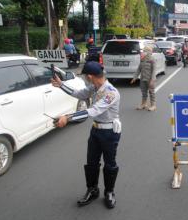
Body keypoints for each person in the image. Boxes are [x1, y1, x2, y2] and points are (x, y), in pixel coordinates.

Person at [50, 61, 122, 209]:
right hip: (95, 130)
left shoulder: (111, 92)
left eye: (85, 76)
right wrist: (61, 84)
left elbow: (93, 110)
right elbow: (79, 94)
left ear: (90, 76)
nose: (85, 79)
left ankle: (109, 192)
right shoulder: (94, 87)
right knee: (91, 163)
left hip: (109, 132)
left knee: (110, 164)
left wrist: (67, 118)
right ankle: (92, 189)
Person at [131, 46, 157, 111]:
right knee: (144, 92)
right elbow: (138, 69)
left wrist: (152, 80)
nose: (143, 52)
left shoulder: (152, 59)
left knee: (151, 92)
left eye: (145, 51)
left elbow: (154, 70)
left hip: (150, 79)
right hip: (143, 79)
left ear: (149, 52)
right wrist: (134, 77)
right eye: (144, 51)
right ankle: (143, 104)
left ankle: (153, 105)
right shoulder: (142, 59)